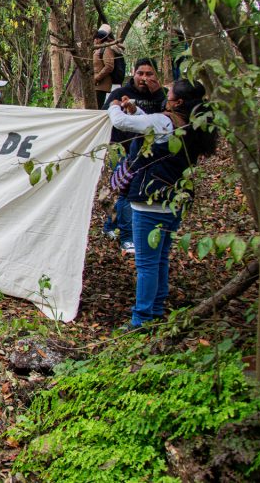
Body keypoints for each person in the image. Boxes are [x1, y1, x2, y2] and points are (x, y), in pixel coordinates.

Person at [107, 80, 217, 330]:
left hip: (150, 200)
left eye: (169, 94)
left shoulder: (166, 122)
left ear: (178, 102)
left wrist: (114, 103)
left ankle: (142, 318)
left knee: (146, 263)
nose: (166, 97)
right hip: (175, 200)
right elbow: (156, 128)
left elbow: (120, 122)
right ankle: (155, 309)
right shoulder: (191, 123)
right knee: (160, 258)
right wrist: (137, 112)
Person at [103, 59, 168, 255]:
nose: (144, 78)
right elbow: (106, 115)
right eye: (141, 73)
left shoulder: (162, 95)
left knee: (128, 192)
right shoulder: (120, 93)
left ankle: (111, 226)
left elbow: (166, 118)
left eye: (149, 74)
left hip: (151, 155)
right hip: (123, 151)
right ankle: (126, 236)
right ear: (134, 73)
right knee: (124, 192)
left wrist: (158, 94)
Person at [92, 26, 117, 109]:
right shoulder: (98, 49)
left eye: (95, 39)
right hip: (95, 84)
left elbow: (109, 66)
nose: (94, 41)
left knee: (97, 108)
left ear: (99, 39)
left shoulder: (106, 49)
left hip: (101, 85)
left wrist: (97, 78)